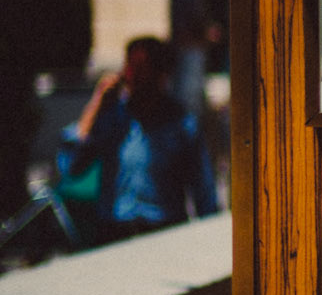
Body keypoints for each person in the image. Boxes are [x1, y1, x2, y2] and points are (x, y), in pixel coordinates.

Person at [58, 36, 219, 240]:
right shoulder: (112, 118)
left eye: (141, 69)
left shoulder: (182, 125)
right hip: (115, 231)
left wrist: (209, 238)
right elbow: (70, 167)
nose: (132, 77)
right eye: (129, 68)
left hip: (163, 232)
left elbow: (203, 189)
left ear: (161, 75)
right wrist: (96, 105)